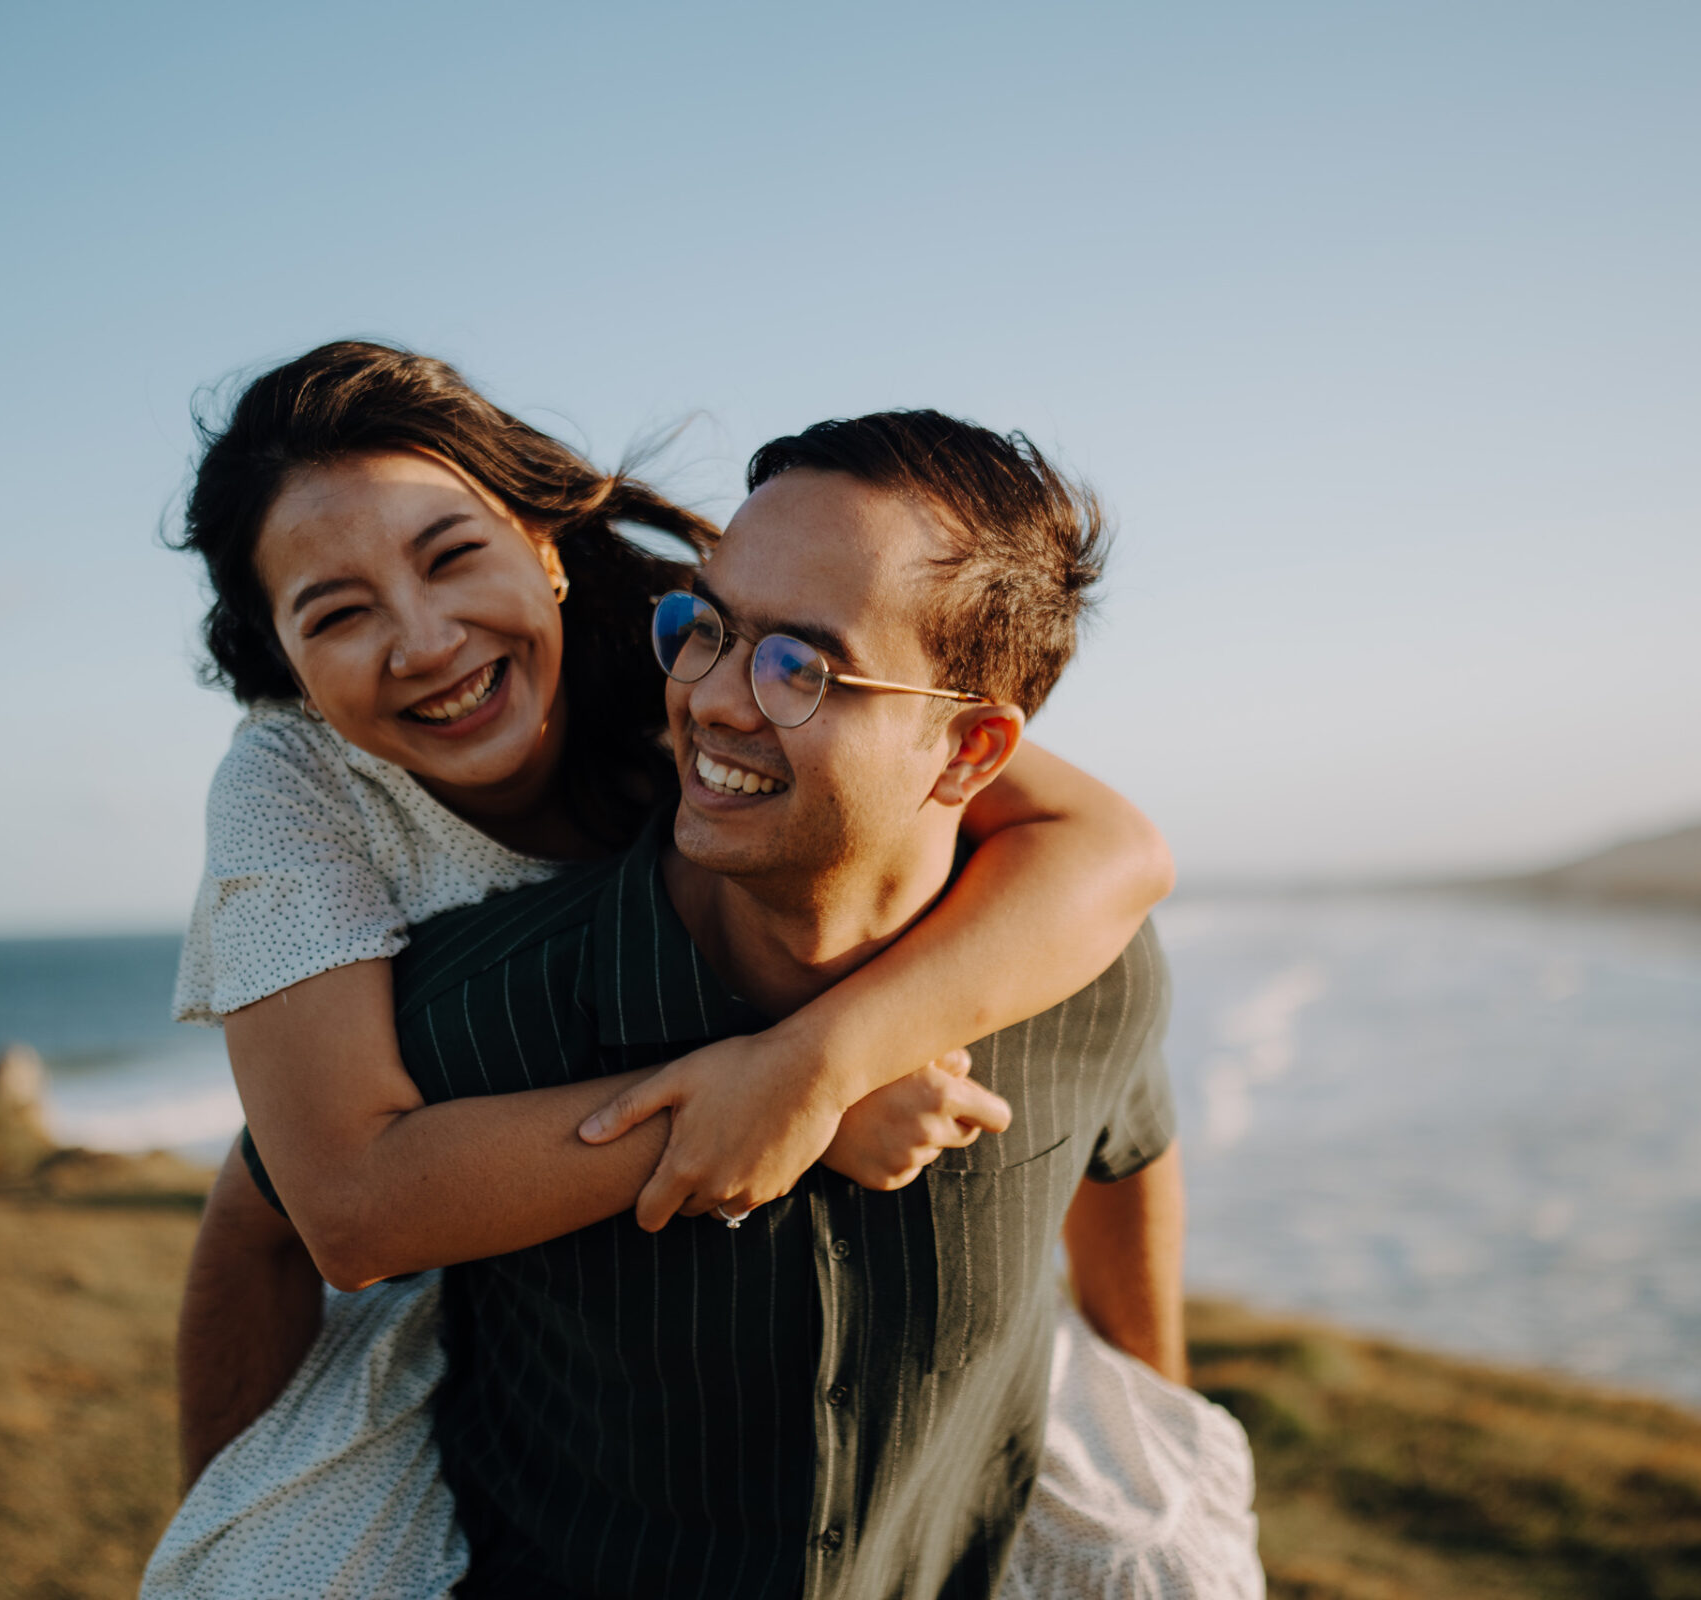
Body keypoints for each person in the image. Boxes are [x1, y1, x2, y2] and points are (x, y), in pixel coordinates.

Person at [144, 347, 1250, 1595]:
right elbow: (330, 1207)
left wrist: (821, 1060)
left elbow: (1105, 844)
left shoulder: (682, 629)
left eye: (453, 554)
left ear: (545, 545)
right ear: (284, 662)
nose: (424, 638)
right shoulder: (296, 794)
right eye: (335, 613)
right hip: (447, 1213)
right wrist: (761, 1108)